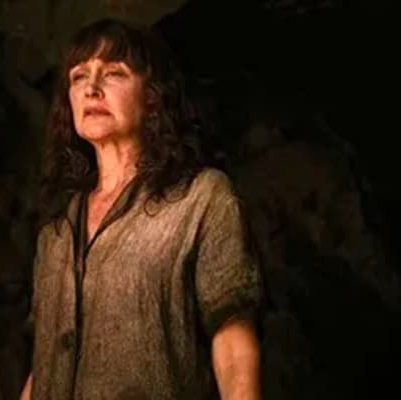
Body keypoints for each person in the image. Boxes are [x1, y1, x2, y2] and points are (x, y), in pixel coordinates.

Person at [19, 18, 263, 400]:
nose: (92, 88)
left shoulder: (200, 199)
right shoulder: (57, 230)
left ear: (152, 96)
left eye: (114, 73)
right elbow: (46, 362)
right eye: (79, 77)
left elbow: (232, 339)